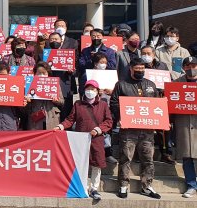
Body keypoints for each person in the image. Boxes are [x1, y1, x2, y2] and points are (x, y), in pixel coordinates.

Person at [109, 57, 161, 199]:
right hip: (128, 128)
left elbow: (157, 104)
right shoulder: (121, 84)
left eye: (142, 69)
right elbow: (113, 103)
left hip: (147, 129)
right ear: (131, 69)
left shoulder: (150, 84)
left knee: (148, 158)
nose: (140, 71)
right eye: (137, 69)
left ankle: (147, 186)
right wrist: (124, 112)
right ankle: (123, 185)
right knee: (126, 157)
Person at [55, 80, 113, 201]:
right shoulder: (78, 104)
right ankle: (83, 186)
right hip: (81, 139)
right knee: (81, 163)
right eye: (88, 89)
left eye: (93, 89)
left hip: (96, 138)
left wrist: (98, 129)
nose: (90, 91)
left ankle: (94, 188)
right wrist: (61, 126)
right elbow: (70, 120)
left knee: (96, 163)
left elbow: (108, 121)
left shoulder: (103, 105)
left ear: (97, 91)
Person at [173, 56, 197, 198]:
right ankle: (191, 185)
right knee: (187, 156)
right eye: (187, 66)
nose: (191, 69)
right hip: (183, 124)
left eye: (194, 65)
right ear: (183, 68)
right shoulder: (176, 83)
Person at [24, 61, 63, 130]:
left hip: (51, 117)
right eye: (39, 73)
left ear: (48, 74)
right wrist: (28, 102)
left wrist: (56, 101)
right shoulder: (29, 85)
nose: (41, 75)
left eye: (44, 73)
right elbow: (24, 109)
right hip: (35, 119)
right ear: (35, 74)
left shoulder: (54, 84)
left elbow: (62, 102)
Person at [48, 32, 77, 122]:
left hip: (65, 86)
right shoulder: (44, 55)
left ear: (61, 41)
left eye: (56, 39)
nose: (54, 41)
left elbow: (75, 71)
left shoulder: (68, 54)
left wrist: (71, 71)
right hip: (49, 88)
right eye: (52, 39)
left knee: (66, 114)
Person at [78, 28, 117, 94]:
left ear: (102, 37)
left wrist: (101, 63)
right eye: (93, 36)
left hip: (104, 79)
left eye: (98, 36)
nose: (96, 38)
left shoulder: (110, 51)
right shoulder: (85, 50)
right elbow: (81, 64)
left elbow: (113, 65)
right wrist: (92, 60)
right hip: (89, 78)